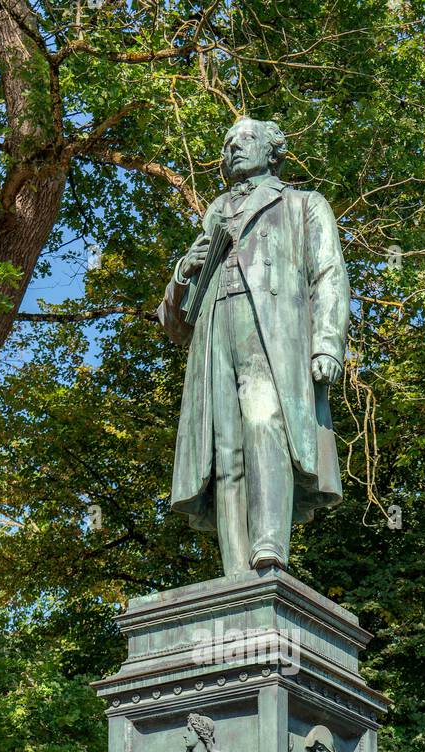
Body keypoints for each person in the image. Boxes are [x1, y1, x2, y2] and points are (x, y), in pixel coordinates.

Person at [157, 118, 350, 575]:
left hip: (272, 330)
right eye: (227, 144)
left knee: (265, 421)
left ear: (273, 149)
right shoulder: (214, 214)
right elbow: (172, 323)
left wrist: (327, 344)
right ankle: (236, 569)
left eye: (244, 139)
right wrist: (185, 270)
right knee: (224, 447)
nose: (233, 148)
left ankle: (269, 546)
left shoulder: (304, 204)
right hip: (214, 330)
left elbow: (330, 275)